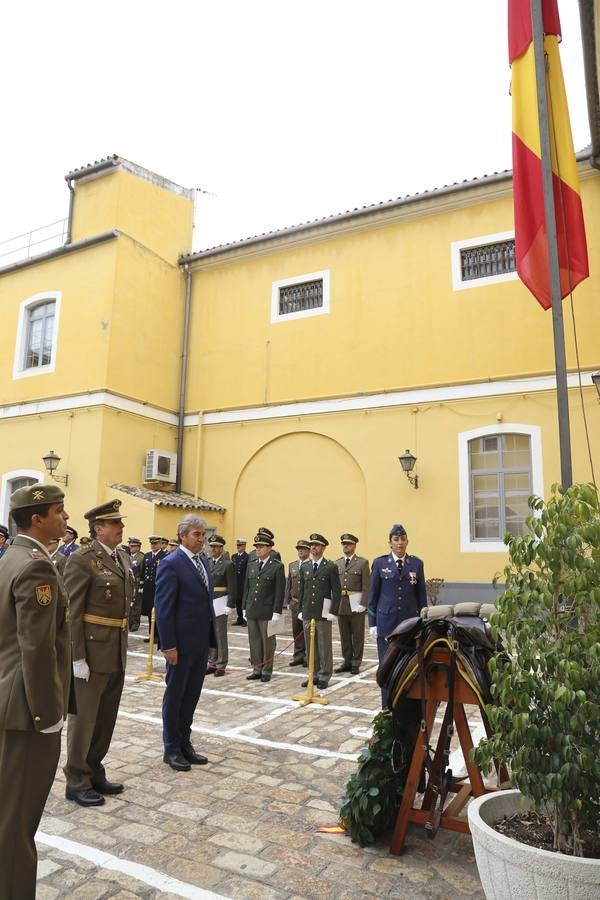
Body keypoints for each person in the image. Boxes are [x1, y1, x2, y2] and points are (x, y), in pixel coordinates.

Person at [0, 483, 72, 899]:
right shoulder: (35, 565)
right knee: (17, 820)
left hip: (11, 701)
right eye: (59, 511)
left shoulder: (12, 556)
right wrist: (49, 716)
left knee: (8, 809)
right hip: (28, 712)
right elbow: (37, 647)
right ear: (37, 519)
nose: (65, 519)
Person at [63, 499, 133, 806]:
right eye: (115, 524)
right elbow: (71, 612)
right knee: (84, 719)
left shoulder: (122, 558)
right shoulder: (82, 559)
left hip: (115, 650)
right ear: (98, 528)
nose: (121, 528)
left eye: (120, 523)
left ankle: (94, 770)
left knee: (106, 718)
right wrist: (77, 656)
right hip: (90, 653)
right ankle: (76, 780)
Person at [154, 514, 216, 771]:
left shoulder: (202, 562)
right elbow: (164, 607)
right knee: (176, 695)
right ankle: (171, 748)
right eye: (197, 535)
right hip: (179, 645)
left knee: (191, 696)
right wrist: (168, 645)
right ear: (182, 535)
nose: (202, 539)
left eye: (203, 534)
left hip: (199, 643)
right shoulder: (171, 563)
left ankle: (185, 742)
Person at [368, 523, 427, 706]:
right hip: (386, 624)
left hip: (409, 625)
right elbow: (373, 595)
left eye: (402, 539)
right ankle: (387, 708)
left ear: (407, 541)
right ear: (390, 543)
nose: (399, 543)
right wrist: (373, 624)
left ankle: (405, 706)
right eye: (396, 539)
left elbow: (421, 596)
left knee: (407, 667)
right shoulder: (379, 563)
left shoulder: (416, 564)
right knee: (387, 668)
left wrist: (423, 622)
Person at [298, 533, 341, 690]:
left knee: (324, 645)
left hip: (323, 612)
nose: (313, 547)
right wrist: (301, 609)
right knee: (310, 646)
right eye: (312, 545)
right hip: (308, 611)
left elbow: (336, 591)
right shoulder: (305, 567)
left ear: (323, 547)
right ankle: (313, 674)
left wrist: (333, 612)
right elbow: (301, 590)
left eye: (316, 545)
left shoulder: (330, 567)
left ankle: (324, 675)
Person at [242, 532, 285, 683]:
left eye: (261, 547)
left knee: (267, 642)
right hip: (252, 609)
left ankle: (266, 669)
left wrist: (277, 612)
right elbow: (247, 587)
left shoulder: (277, 567)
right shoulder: (252, 564)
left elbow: (279, 591)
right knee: (254, 641)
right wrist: (244, 607)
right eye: (257, 547)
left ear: (269, 548)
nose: (258, 549)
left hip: (267, 611)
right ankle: (257, 668)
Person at [335, 533, 370, 675]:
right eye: (344, 544)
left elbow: (367, 586)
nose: (346, 546)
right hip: (342, 603)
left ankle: (356, 662)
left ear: (354, 546)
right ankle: (347, 661)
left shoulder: (362, 563)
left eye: (348, 544)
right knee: (344, 635)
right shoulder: (337, 563)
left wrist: (364, 603)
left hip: (356, 604)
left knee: (357, 635)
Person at [206, 535, 237, 676]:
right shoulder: (208, 562)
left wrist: (230, 604)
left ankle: (221, 663)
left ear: (221, 548)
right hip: (209, 601)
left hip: (221, 601)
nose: (213, 549)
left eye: (216, 547)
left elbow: (232, 586)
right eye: (211, 547)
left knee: (220, 634)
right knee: (210, 632)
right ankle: (212, 661)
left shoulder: (227, 564)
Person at [284, 539, 310, 667]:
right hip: (295, 602)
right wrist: (287, 600)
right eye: (298, 549)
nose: (300, 551)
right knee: (296, 630)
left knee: (307, 631)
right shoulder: (292, 565)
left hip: (306, 603)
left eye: (303, 549)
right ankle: (298, 655)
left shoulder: (311, 565)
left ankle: (307, 656)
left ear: (309, 551)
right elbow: (289, 584)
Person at [140, 536, 167, 643]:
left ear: (160, 544)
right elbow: (143, 571)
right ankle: (152, 635)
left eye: (155, 544)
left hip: (159, 587)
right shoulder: (147, 556)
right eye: (152, 544)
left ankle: (159, 636)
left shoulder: (165, 556)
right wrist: (141, 586)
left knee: (159, 611)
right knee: (149, 612)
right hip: (148, 587)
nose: (153, 546)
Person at [127, 537, 145, 630]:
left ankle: (135, 623)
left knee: (136, 604)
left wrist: (141, 584)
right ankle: (129, 622)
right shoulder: (127, 556)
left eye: (133, 546)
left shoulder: (141, 557)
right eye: (130, 546)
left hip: (137, 583)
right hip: (129, 582)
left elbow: (142, 572)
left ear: (138, 547)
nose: (131, 548)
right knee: (129, 602)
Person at [231, 538, 249, 625]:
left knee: (243, 601)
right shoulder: (234, 556)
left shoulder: (247, 557)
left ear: (244, 547)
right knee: (237, 601)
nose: (238, 547)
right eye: (237, 545)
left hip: (243, 582)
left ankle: (245, 619)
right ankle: (239, 618)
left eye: (240, 545)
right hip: (236, 582)